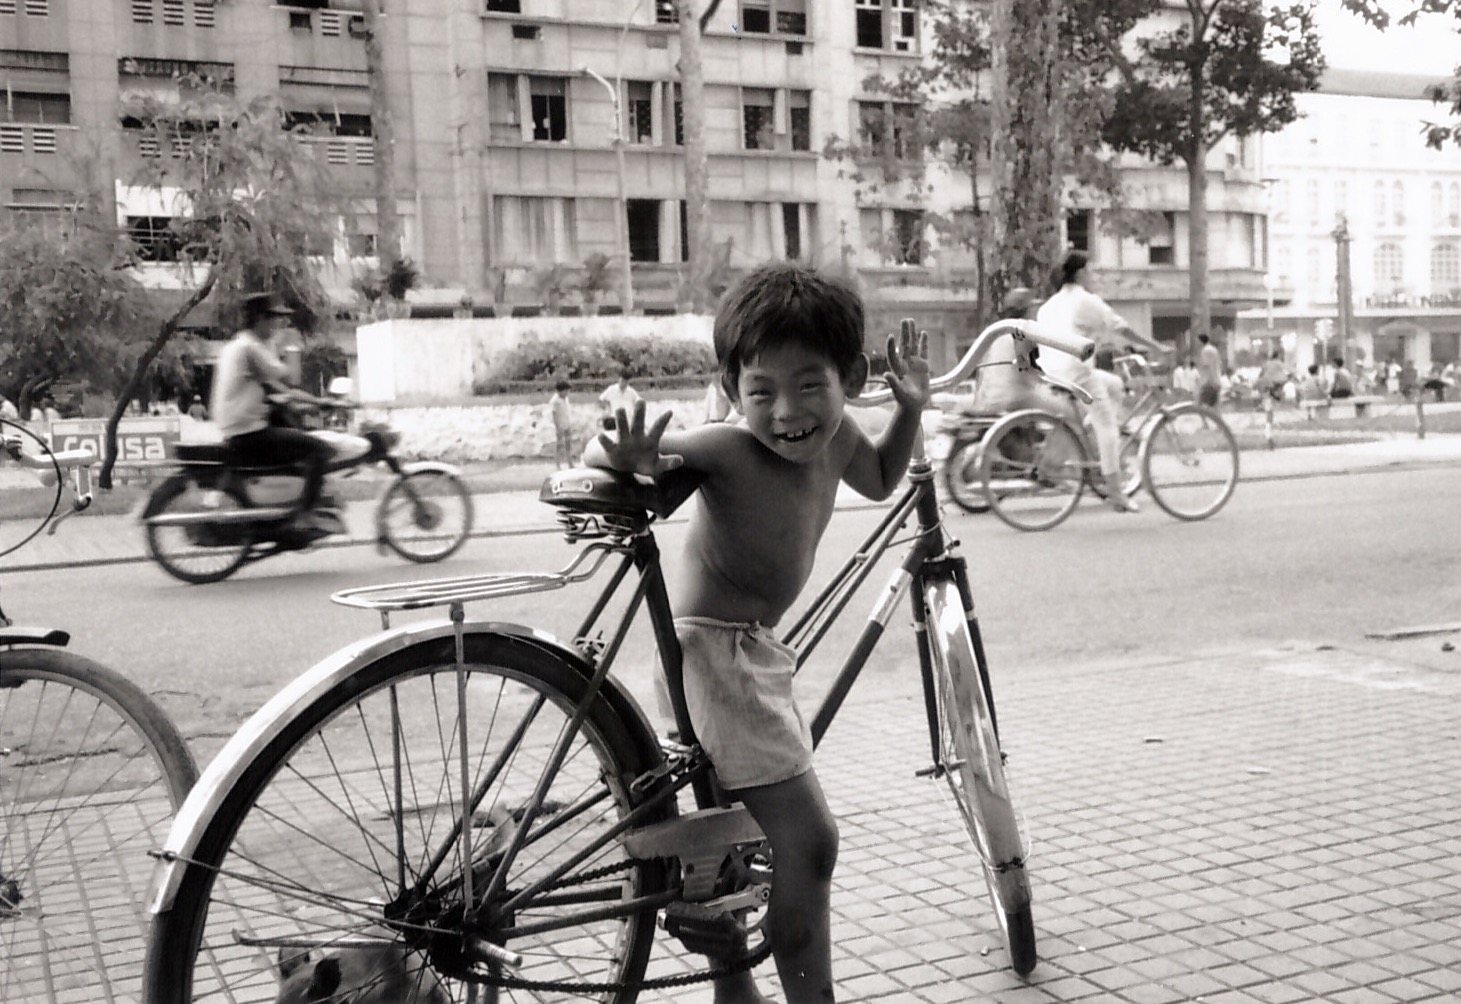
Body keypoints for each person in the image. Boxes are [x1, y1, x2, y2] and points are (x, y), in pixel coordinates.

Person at [583, 261, 930, 1004]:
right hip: (713, 655)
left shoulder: (835, 440)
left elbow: (878, 477)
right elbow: (599, 455)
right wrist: (633, 458)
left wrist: (909, 411)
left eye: (810, 385)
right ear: (731, 390)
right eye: (760, 391)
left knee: (728, 837)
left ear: (851, 376)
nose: (786, 411)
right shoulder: (731, 449)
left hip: (744, 654)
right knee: (809, 842)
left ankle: (734, 992)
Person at [1035, 251, 1170, 513]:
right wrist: (1154, 346)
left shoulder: (1048, 305)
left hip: (1052, 371)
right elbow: (1120, 327)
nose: (1094, 276)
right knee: (1108, 428)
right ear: (1082, 273)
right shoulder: (1085, 300)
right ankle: (1117, 493)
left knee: (1114, 385)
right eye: (1092, 271)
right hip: (1076, 372)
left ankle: (1088, 427)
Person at [210, 292, 337, 529]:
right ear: (259, 319)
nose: (279, 325)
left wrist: (319, 402)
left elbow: (279, 389)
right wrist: (291, 344)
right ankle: (304, 515)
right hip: (249, 432)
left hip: (239, 428)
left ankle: (286, 504)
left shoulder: (240, 345)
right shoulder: (251, 348)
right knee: (321, 450)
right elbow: (292, 377)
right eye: (275, 319)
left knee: (297, 436)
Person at [548, 379, 575, 470]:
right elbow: (554, 414)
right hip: (560, 425)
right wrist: (557, 427)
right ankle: (558, 464)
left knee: (568, 444)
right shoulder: (555, 401)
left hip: (566, 423)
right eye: (565, 390)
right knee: (559, 445)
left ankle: (570, 462)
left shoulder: (566, 399)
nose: (567, 392)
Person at [1195, 333, 1223, 408]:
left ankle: (1205, 419)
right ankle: (1215, 418)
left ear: (1200, 341)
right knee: (1214, 404)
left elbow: (1206, 365)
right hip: (1216, 379)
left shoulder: (1205, 351)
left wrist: (1204, 380)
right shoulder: (1214, 349)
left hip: (1208, 381)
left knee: (1201, 404)